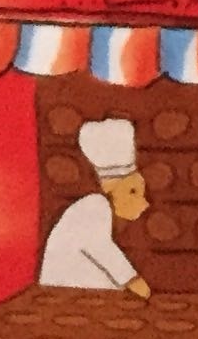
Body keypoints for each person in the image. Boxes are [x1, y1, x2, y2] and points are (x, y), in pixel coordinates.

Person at [37, 118, 152, 295]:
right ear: (110, 190)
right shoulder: (95, 205)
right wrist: (133, 280)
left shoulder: (101, 209)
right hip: (66, 290)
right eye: (132, 192)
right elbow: (102, 249)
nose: (144, 203)